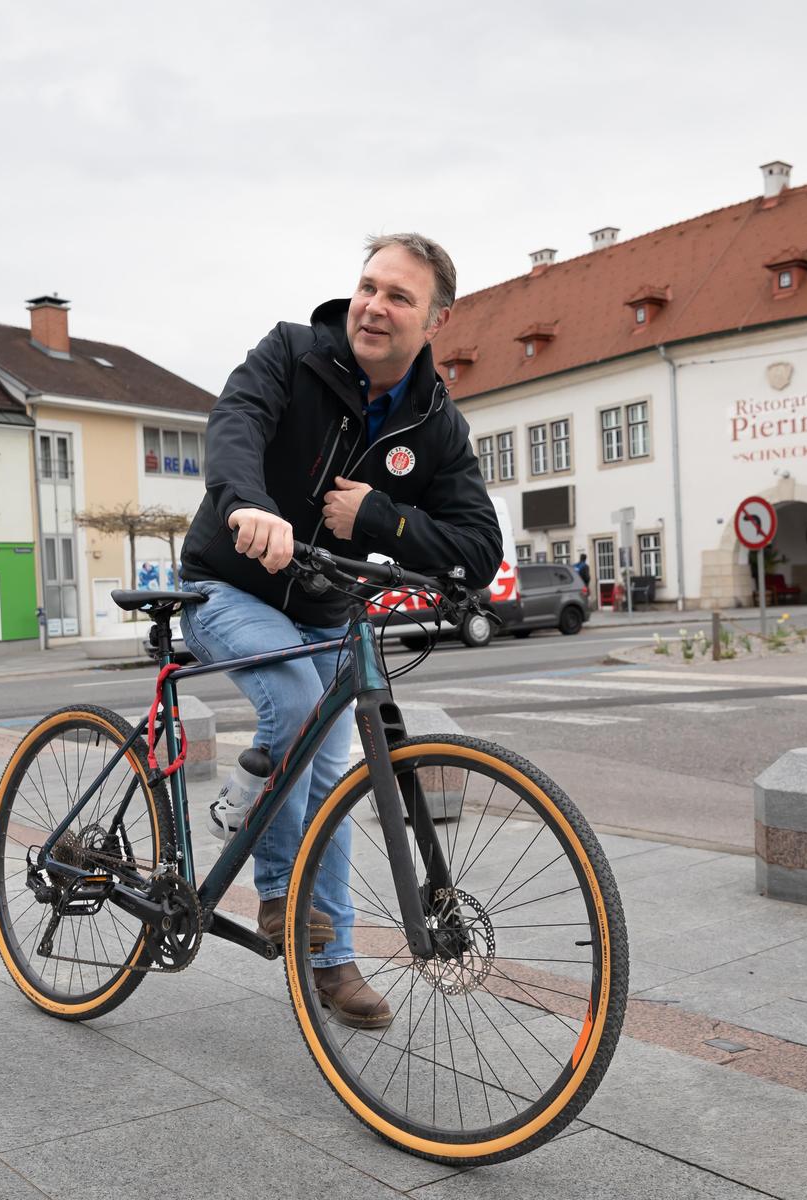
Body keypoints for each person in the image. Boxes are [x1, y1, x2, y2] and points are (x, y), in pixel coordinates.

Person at [178, 233, 503, 1029]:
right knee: (291, 702)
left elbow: (478, 548)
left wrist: (381, 518)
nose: (373, 306)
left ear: (436, 320)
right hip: (227, 584)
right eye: (368, 286)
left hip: (323, 609)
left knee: (332, 776)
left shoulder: (436, 424)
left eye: (398, 296)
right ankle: (282, 899)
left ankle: (333, 959)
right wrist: (247, 504)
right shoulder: (291, 353)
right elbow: (236, 425)